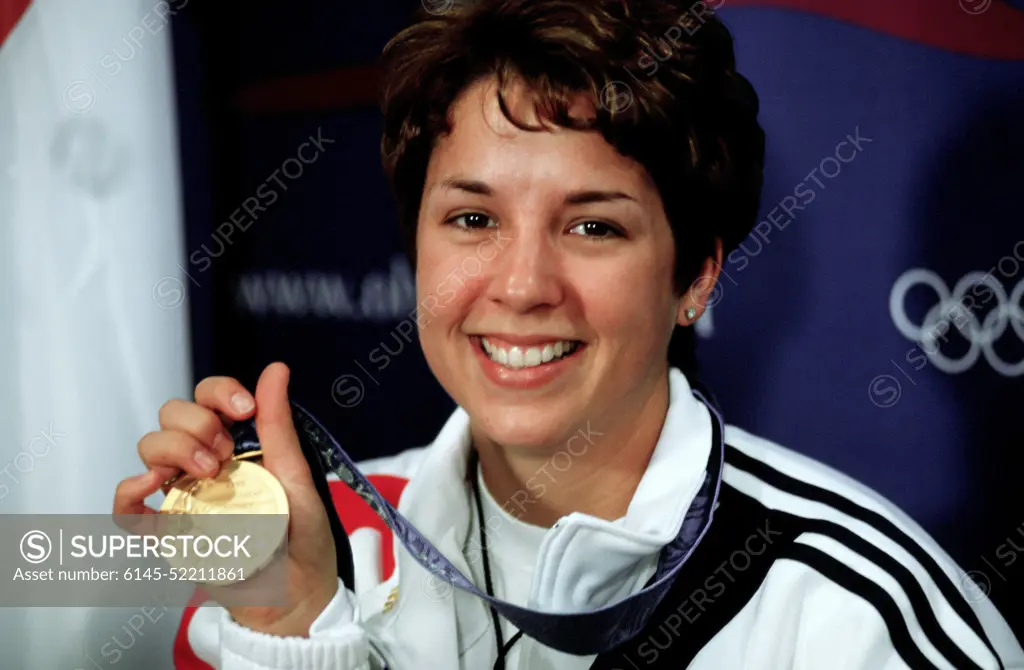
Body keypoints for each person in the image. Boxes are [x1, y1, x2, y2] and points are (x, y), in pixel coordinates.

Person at [113, 0, 1023, 668]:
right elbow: (31, 569)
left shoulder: (858, 615)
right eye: (472, 220)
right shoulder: (318, 536)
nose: (520, 284)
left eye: (594, 226)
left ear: (696, 275)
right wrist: (292, 633)